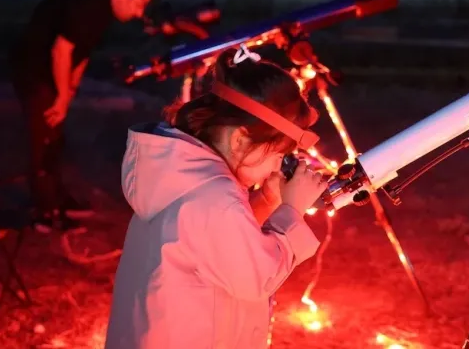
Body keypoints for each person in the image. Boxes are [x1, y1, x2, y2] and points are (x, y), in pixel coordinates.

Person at [104, 45, 326, 349]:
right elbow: (255, 277)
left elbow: (219, 243)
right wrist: (292, 211)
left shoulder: (185, 178)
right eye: (279, 153)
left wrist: (267, 201)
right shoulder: (215, 198)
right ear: (240, 139)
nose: (279, 164)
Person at [8, 0, 157, 232]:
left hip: (51, 72)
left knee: (55, 136)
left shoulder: (102, 11)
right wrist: (62, 96)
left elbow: (82, 51)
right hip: (34, 70)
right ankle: (46, 211)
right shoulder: (89, 3)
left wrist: (71, 87)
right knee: (43, 136)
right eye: (139, 3)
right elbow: (61, 50)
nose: (138, 13)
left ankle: (58, 197)